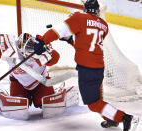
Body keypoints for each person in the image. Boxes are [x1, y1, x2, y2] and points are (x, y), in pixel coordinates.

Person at [33, 0, 134, 130]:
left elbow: (58, 30)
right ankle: (111, 118)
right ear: (97, 11)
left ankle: (123, 117)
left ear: (85, 9)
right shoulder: (104, 26)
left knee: (93, 104)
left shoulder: (79, 17)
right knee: (98, 98)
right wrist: (70, 40)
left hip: (87, 69)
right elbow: (87, 44)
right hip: (98, 68)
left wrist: (42, 40)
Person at [0, 33, 79, 120]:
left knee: (44, 101)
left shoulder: (39, 48)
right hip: (18, 82)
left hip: (41, 82)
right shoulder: (12, 49)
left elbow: (55, 58)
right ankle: (0, 97)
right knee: (18, 104)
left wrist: (46, 52)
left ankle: (59, 92)